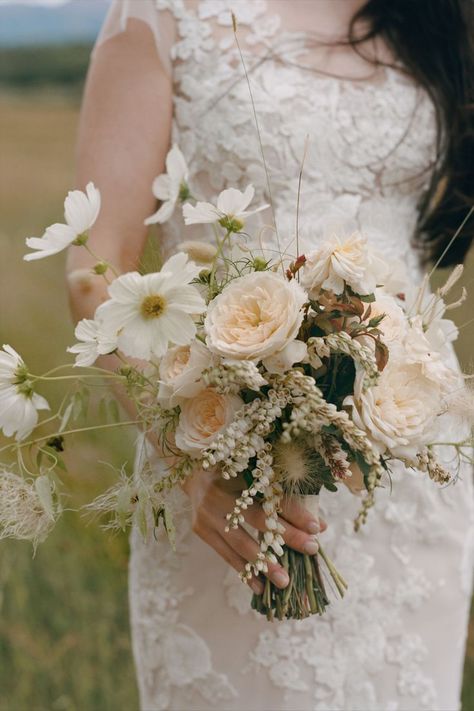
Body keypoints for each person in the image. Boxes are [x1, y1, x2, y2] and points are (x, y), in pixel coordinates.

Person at [67, 1, 474, 709]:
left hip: (412, 471)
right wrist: (187, 460)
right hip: (226, 461)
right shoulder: (161, 14)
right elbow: (97, 262)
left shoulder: (432, 14)